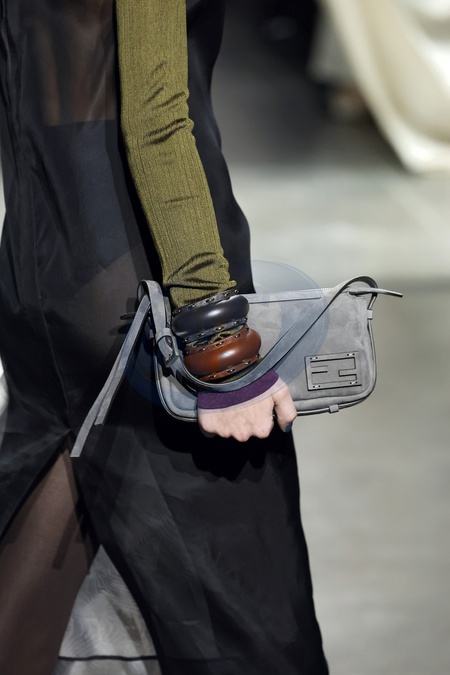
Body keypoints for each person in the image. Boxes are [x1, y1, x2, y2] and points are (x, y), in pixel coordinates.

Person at [0, 1, 328, 673]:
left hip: (40, 276)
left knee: (27, 592)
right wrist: (217, 340)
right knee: (253, 625)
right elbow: (155, 117)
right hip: (150, 294)